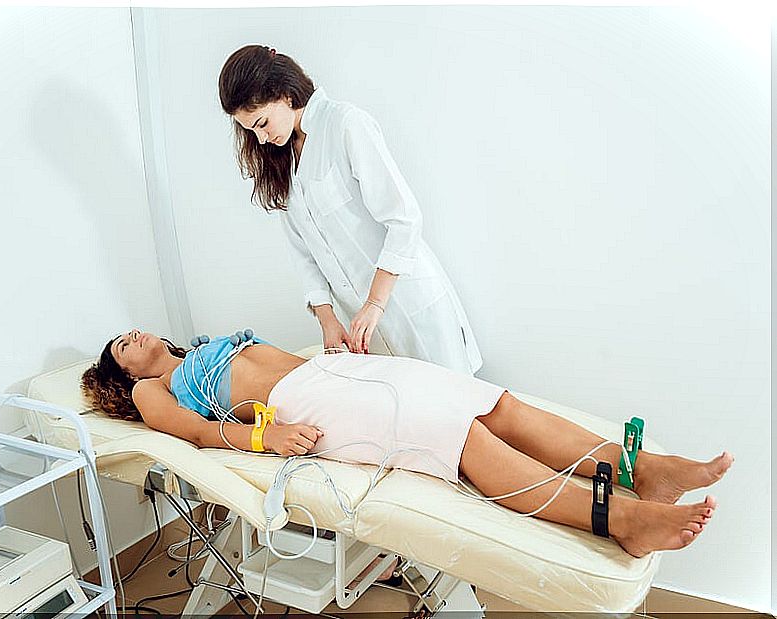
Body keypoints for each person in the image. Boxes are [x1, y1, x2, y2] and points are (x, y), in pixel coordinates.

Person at [81, 328, 733, 558]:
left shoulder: (199, 345)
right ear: (124, 374)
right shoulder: (151, 391)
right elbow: (196, 433)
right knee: (458, 436)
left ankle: (639, 466)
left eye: (133, 331)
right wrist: (267, 435)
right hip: (306, 406)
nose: (133, 335)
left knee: (488, 402)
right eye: (120, 345)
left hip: (333, 372)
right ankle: (623, 518)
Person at [218, 45, 481, 375]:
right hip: (365, 326)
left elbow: (404, 220)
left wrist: (374, 304)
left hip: (411, 307)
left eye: (262, 123)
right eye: (250, 130)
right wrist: (327, 319)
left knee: (461, 409)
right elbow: (303, 253)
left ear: (284, 94)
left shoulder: (345, 125)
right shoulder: (283, 163)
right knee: (412, 418)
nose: (260, 137)